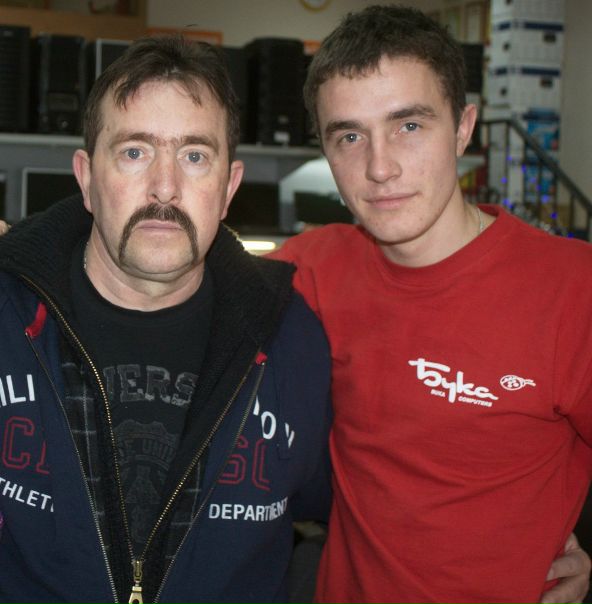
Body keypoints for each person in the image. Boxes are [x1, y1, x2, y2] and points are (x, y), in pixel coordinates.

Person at [274, 4, 592, 603]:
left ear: (464, 127)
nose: (380, 167)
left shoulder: (573, 289)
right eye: (349, 136)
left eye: (410, 126)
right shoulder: (310, 269)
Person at [0, 35, 332, 603]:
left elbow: (353, 508)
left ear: (228, 187)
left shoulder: (292, 339)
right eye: (134, 152)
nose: (164, 187)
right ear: (86, 178)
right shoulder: (8, 315)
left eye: (194, 156)